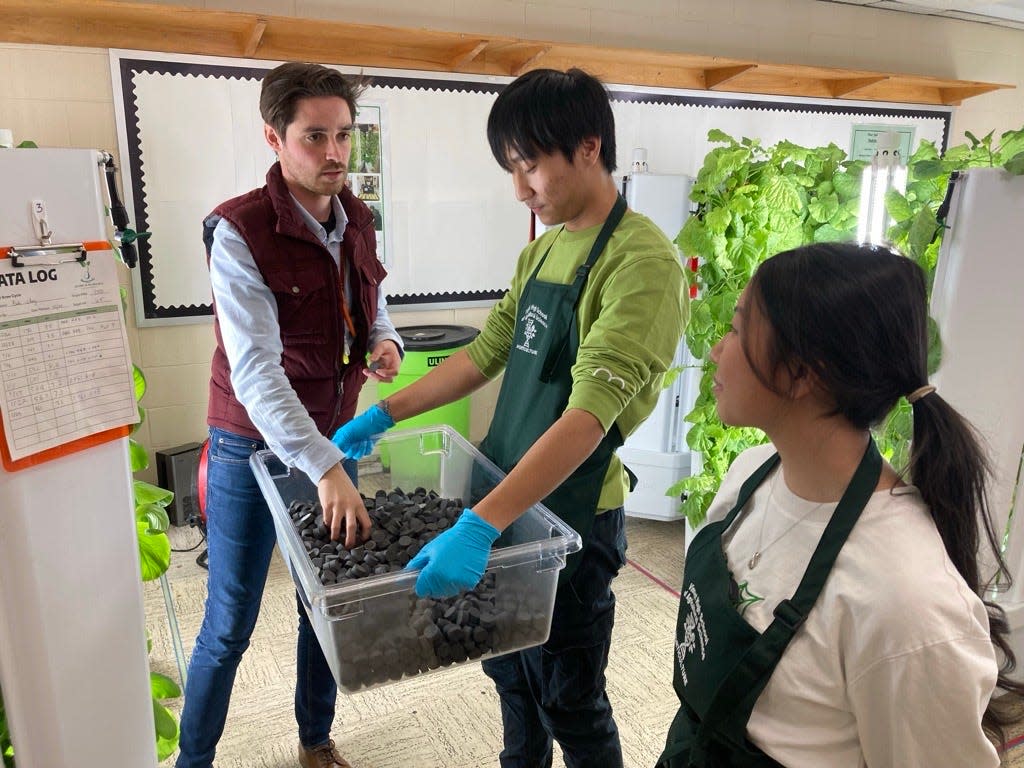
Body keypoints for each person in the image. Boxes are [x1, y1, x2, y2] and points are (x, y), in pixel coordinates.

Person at [332, 67, 687, 767]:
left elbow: (588, 419)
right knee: (509, 675)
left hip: (574, 517)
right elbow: (485, 353)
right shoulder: (543, 249)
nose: (520, 189)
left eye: (530, 167)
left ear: (589, 147)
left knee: (569, 697)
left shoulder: (641, 262)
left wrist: (479, 523)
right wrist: (382, 416)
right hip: (505, 496)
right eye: (511, 170)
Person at [657, 242, 1024, 767]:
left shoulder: (905, 601)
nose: (717, 349)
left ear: (804, 373)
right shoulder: (750, 475)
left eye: (738, 330)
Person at [176, 62, 403, 768]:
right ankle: (193, 759)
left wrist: (382, 338)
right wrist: (327, 465)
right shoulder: (239, 230)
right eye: (315, 137)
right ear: (274, 137)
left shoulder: (357, 216)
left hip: (335, 438)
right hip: (251, 446)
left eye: (343, 136)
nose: (335, 154)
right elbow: (255, 374)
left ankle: (315, 740)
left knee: (324, 601)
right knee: (229, 623)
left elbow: (373, 296)